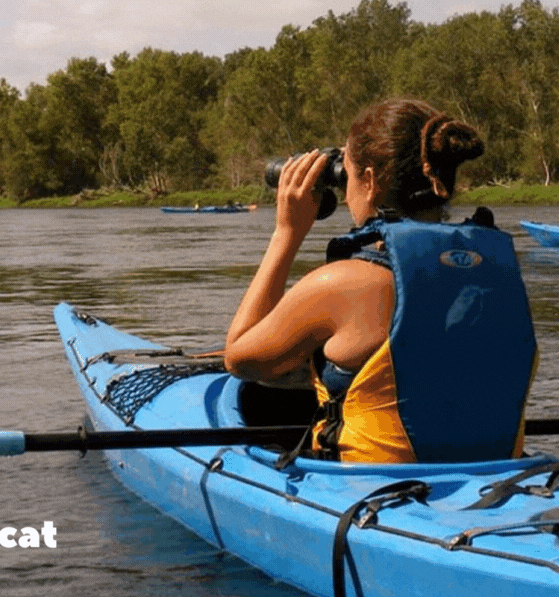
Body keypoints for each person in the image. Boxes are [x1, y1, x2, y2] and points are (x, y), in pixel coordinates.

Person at [224, 98, 538, 464]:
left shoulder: (344, 283)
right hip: (497, 475)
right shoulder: (498, 267)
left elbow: (240, 358)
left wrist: (287, 233)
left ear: (369, 181)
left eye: (349, 174)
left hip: (374, 489)